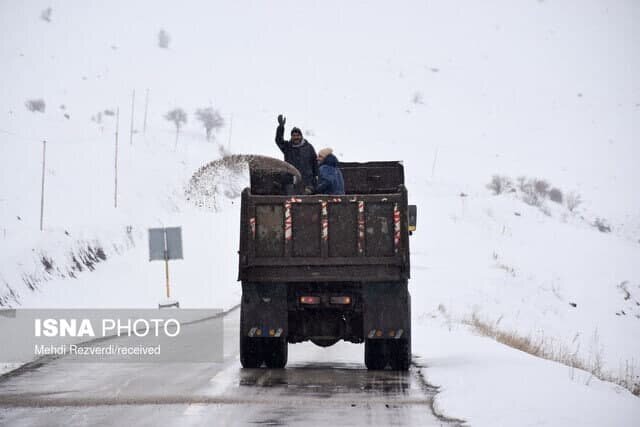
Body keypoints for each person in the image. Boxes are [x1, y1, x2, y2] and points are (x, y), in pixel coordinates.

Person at [275, 114, 318, 194]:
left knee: (306, 203)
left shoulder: (308, 147)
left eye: (298, 135)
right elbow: (278, 140)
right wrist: (281, 127)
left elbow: (315, 163)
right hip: (291, 181)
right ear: (291, 137)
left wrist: (315, 179)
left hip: (307, 182)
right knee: (292, 202)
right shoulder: (288, 147)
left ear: (301, 136)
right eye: (294, 136)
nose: (296, 137)